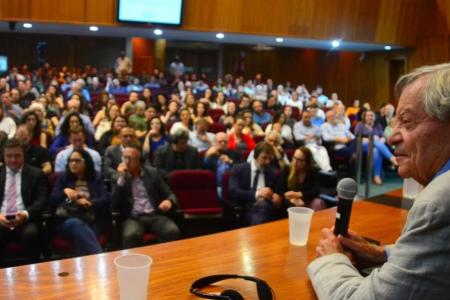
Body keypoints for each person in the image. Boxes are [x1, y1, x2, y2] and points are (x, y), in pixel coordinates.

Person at [308, 63, 450, 299]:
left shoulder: (438, 204)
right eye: (395, 121)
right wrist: (383, 254)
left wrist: (332, 259)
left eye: (407, 121)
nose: (392, 136)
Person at [111, 144, 180, 248]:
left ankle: (165, 261)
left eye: (130, 158)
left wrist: (169, 201)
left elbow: (169, 193)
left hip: (154, 215)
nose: (126, 162)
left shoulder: (152, 173)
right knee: (131, 235)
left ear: (139, 160)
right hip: (134, 218)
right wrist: (121, 179)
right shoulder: (118, 177)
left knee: (172, 231)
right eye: (124, 158)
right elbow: (114, 204)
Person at [50, 149, 107, 256]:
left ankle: (82, 270)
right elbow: (52, 200)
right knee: (77, 225)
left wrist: (90, 203)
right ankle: (100, 257)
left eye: (77, 161)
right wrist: (64, 192)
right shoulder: (63, 177)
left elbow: (105, 199)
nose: (73, 164)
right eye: (71, 161)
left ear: (86, 162)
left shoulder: (96, 177)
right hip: (68, 220)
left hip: (91, 218)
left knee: (82, 237)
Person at [0, 138, 48, 262]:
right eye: (9, 156)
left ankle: (31, 275)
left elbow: (42, 200)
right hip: (1, 219)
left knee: (31, 234)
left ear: (24, 155)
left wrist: (25, 214)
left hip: (26, 220)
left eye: (17, 156)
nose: (13, 160)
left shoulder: (36, 174)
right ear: (3, 156)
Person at [229, 142, 283, 225]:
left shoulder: (272, 173)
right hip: (245, 207)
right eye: (264, 158)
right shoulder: (238, 169)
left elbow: (278, 195)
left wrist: (277, 198)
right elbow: (234, 192)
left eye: (270, 159)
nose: (267, 162)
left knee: (264, 207)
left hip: (266, 207)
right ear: (255, 155)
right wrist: (258, 193)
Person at [354, 109, 397, 184]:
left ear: (374, 117)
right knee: (375, 141)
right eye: (368, 115)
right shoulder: (360, 125)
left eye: (372, 115)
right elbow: (357, 138)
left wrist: (382, 140)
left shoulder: (377, 125)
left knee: (376, 151)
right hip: (363, 146)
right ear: (365, 117)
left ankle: (376, 176)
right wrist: (371, 139)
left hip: (376, 146)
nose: (370, 117)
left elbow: (383, 136)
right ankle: (392, 158)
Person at [280, 147, 326, 211]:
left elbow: (316, 191)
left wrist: (299, 194)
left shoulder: (313, 171)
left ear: (307, 162)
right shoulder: (287, 169)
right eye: (294, 158)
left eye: (300, 160)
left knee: (318, 202)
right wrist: (292, 199)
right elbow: (280, 190)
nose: (295, 162)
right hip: (289, 201)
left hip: (307, 200)